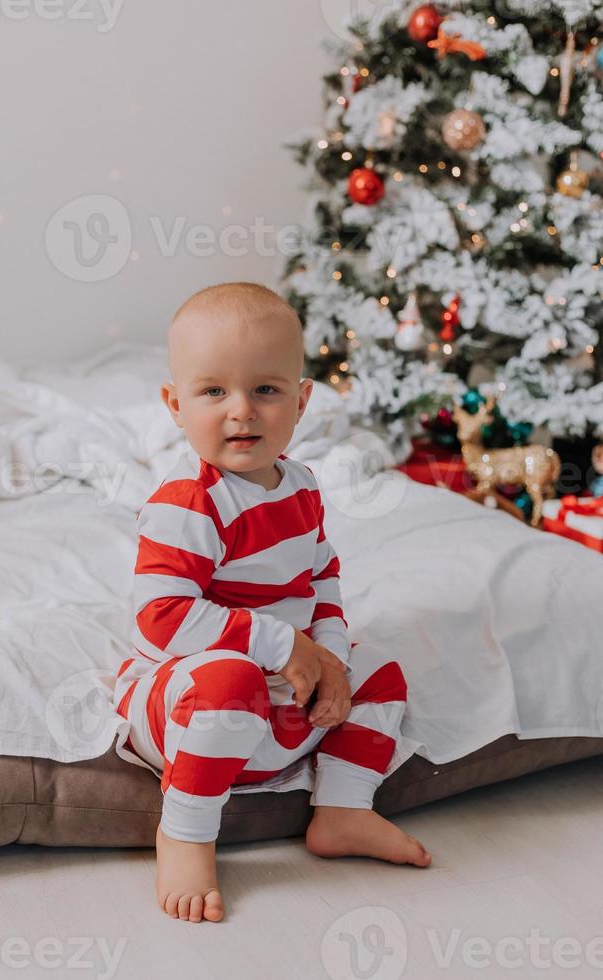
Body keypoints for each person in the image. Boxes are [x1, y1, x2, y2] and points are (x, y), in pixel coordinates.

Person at [112, 281, 432, 924]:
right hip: (190, 703)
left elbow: (323, 581)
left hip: (289, 701)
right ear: (175, 404)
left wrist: (332, 660)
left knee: (383, 673)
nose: (242, 412)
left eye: (265, 389)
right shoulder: (188, 502)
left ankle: (343, 809)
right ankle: (186, 831)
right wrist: (283, 644)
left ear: (301, 399)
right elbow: (162, 616)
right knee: (231, 681)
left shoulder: (302, 487)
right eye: (213, 391)